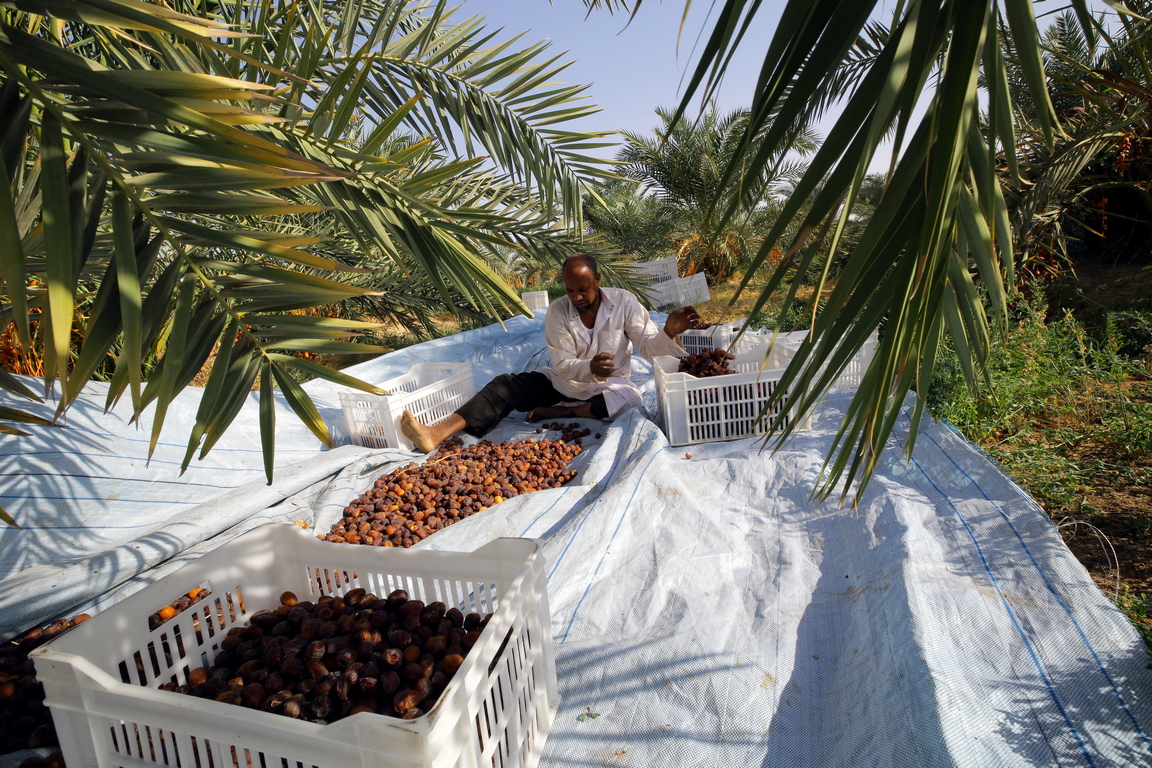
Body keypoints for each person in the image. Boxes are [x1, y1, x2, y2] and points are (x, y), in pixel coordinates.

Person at [400, 253, 703, 452]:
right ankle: (436, 433)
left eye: (583, 289)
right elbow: (563, 363)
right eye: (570, 290)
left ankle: (562, 413)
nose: (577, 297)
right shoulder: (558, 312)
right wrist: (590, 369)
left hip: (609, 387)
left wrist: (668, 332)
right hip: (564, 382)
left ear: (598, 281)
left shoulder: (624, 302)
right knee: (505, 386)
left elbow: (649, 347)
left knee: (631, 398)